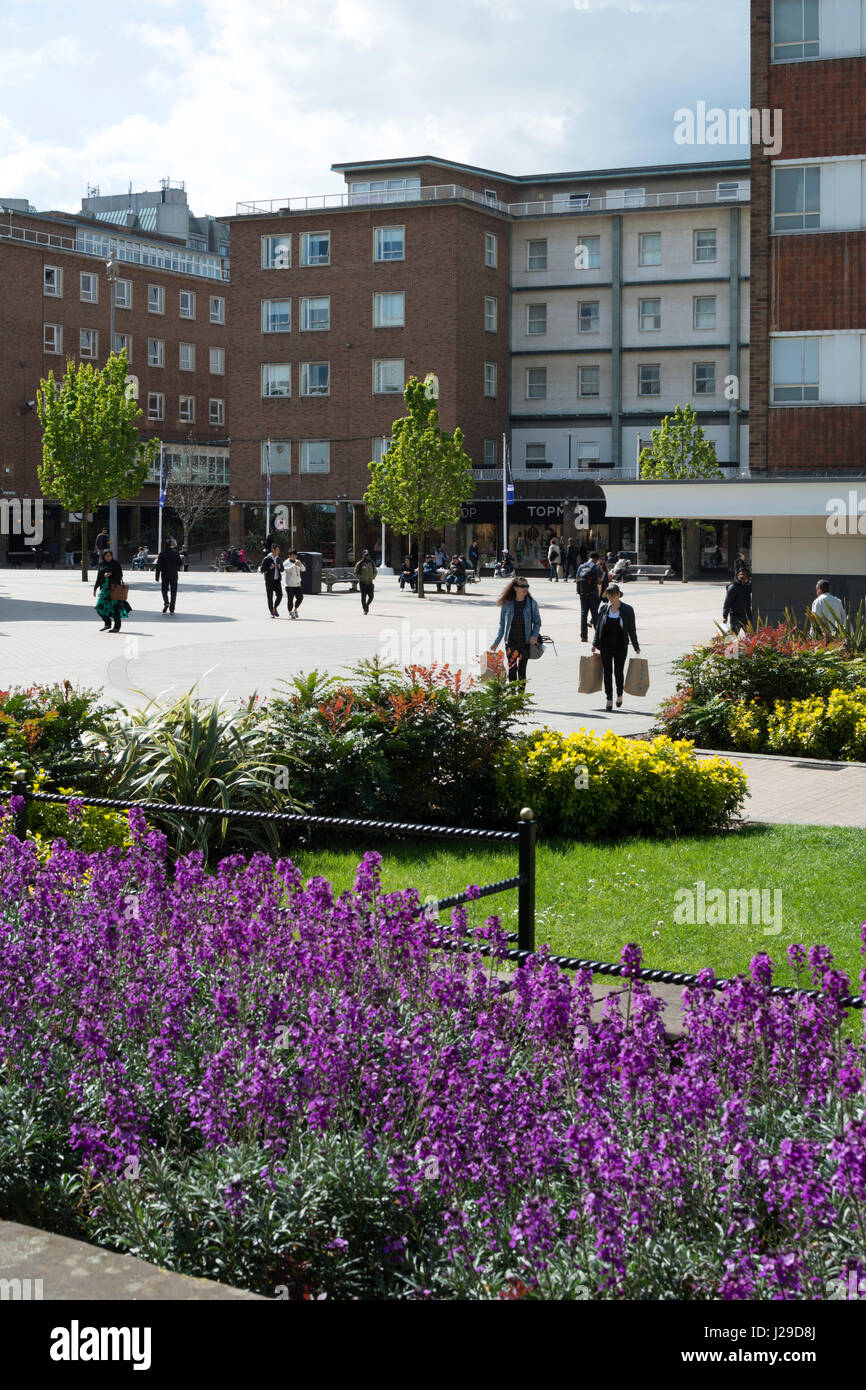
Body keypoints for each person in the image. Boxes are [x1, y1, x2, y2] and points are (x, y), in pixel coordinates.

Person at [592, 583, 641, 711]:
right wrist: (594, 643)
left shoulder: (628, 610)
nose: (611, 599)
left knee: (618, 672)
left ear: (619, 595)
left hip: (620, 645)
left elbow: (631, 629)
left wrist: (636, 646)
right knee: (607, 672)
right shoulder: (603, 608)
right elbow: (598, 628)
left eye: (613, 596)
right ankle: (609, 699)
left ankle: (619, 695)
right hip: (605, 645)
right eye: (609, 596)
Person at [492, 576, 541, 683]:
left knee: (522, 671)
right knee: (512, 670)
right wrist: (496, 642)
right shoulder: (507, 604)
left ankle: (520, 698)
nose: (525, 588)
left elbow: (537, 622)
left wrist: (534, 635)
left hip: (525, 642)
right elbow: (502, 625)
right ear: (515, 588)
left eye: (527, 586)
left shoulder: (532, 604)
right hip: (511, 642)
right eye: (522, 586)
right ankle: (513, 696)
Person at [92, 548, 128, 632]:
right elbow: (99, 577)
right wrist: (95, 588)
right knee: (99, 607)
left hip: (114, 589)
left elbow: (120, 576)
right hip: (104, 590)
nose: (108, 557)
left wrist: (111, 573)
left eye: (110, 555)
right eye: (106, 556)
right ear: (103, 556)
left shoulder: (115, 563)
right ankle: (107, 623)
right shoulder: (101, 564)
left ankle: (117, 627)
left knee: (115, 608)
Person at [576, 551, 603, 643]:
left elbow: (577, 579)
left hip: (583, 594)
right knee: (594, 614)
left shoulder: (581, 566)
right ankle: (598, 636)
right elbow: (599, 581)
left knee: (583, 614)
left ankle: (584, 637)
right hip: (593, 593)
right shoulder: (596, 567)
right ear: (596, 559)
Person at [154, 538, 182, 614]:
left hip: (165, 575)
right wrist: (176, 567)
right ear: (172, 545)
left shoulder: (162, 553)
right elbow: (180, 563)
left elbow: (158, 566)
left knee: (164, 590)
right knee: (173, 592)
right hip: (173, 575)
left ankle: (166, 602)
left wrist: (157, 576)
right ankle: (172, 609)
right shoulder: (176, 553)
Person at [723, 566, 753, 634]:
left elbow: (752, 582)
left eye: (745, 574)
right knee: (733, 637)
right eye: (741, 574)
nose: (743, 576)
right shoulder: (733, 587)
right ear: (738, 575)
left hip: (746, 616)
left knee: (750, 637)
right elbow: (727, 603)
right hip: (736, 617)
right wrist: (725, 616)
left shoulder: (747, 586)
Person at [259, 542, 284, 618]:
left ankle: (275, 607)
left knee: (280, 595)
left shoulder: (278, 559)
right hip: (269, 581)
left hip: (277, 580)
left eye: (279, 550)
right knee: (270, 597)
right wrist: (269, 568)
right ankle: (271, 612)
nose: (278, 551)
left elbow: (282, 570)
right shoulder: (267, 559)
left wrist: (280, 568)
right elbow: (261, 569)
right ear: (273, 550)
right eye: (277, 550)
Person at [354, 548, 377, 614]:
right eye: (366, 555)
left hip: (370, 582)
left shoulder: (372, 563)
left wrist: (373, 576)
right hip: (363, 583)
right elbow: (355, 572)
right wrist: (361, 577)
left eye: (368, 555)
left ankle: (366, 605)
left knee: (371, 597)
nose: (367, 556)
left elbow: (375, 571)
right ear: (364, 555)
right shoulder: (360, 563)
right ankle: (365, 609)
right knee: (363, 597)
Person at [283, 550, 305, 617]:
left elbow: (303, 569)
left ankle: (295, 610)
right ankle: (290, 613)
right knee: (290, 599)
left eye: (295, 555)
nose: (294, 557)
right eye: (293, 555)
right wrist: (294, 565)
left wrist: (300, 565)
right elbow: (287, 570)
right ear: (289, 556)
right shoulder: (286, 562)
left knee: (300, 597)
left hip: (297, 584)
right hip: (289, 585)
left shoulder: (297, 561)